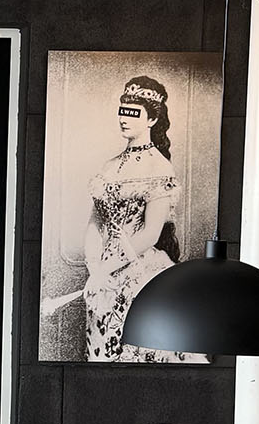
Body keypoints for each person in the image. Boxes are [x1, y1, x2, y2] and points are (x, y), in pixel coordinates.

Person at [81, 76, 200, 363]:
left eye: (133, 113)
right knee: (100, 355)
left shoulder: (159, 167)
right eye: (122, 111)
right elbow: (95, 223)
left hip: (138, 270)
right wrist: (94, 268)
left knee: (133, 355)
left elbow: (149, 234)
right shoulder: (109, 166)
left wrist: (107, 268)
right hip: (102, 278)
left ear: (151, 119)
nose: (124, 119)